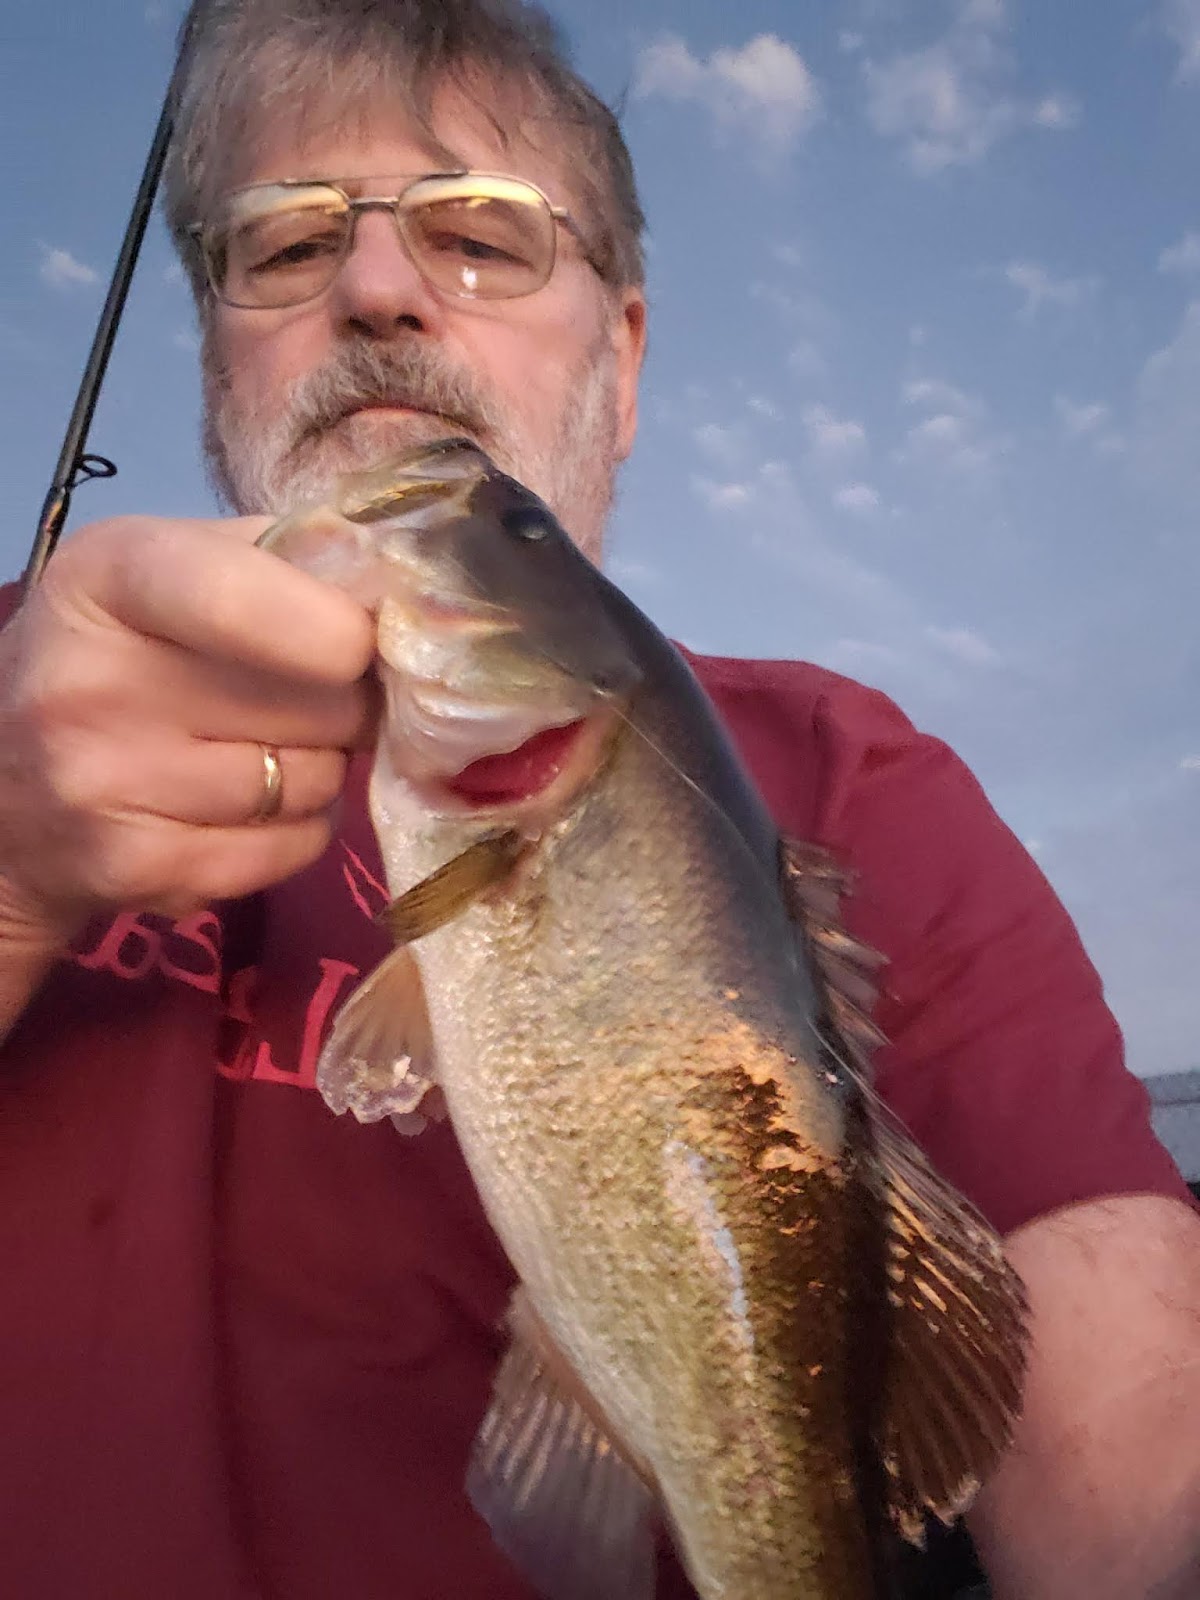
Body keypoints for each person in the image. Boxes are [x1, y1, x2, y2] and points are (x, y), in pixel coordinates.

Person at [0, 2, 1196, 1596]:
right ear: (217, 359)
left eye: (479, 234)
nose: (375, 285)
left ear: (621, 364)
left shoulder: (856, 781)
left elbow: (1140, 1471)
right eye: (286, 244)